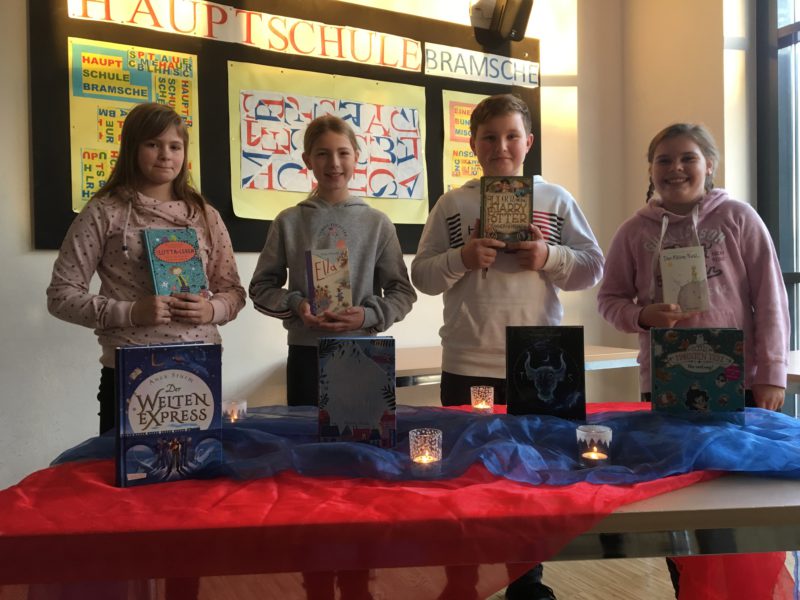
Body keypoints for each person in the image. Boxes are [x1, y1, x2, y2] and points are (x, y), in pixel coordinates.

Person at [411, 94, 604, 600]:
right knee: (466, 474)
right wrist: (461, 257)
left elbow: (592, 267)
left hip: (541, 359)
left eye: (512, 136)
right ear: (472, 144)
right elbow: (422, 276)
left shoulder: (556, 199)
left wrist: (549, 256)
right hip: (468, 356)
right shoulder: (453, 204)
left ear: (529, 141)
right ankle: (463, 578)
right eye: (489, 137)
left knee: (533, 477)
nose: (501, 146)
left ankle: (526, 581)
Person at [597, 122, 790, 596]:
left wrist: (771, 374)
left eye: (688, 158)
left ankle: (749, 590)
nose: (675, 168)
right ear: (650, 169)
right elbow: (610, 300)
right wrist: (643, 316)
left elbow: (770, 299)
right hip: (666, 386)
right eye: (664, 160)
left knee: (738, 499)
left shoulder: (739, 218)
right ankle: (688, 589)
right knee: (678, 500)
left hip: (738, 383)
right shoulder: (633, 232)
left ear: (709, 165)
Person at [47, 102, 246, 435]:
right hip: (130, 367)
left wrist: (211, 310)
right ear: (132, 148)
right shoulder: (104, 212)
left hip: (198, 365)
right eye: (153, 144)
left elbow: (234, 292)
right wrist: (131, 312)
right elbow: (61, 296)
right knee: (133, 466)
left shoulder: (204, 215)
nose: (165, 155)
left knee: (196, 465)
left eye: (175, 146)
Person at [249, 114, 416, 408]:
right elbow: (260, 288)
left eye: (343, 153)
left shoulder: (377, 223)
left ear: (356, 157)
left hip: (364, 351)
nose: (334, 163)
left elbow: (402, 293)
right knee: (306, 433)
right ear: (307, 160)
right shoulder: (289, 221)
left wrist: (367, 316)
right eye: (323, 154)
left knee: (364, 434)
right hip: (306, 353)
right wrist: (296, 304)